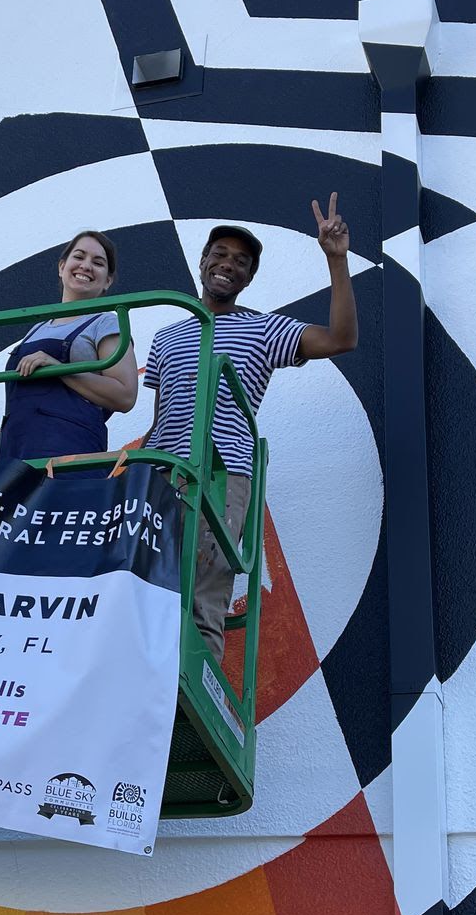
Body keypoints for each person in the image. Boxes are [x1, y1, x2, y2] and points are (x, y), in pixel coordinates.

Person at [143, 195, 359, 661]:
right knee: (144, 586)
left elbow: (341, 339)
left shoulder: (263, 329)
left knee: (203, 592)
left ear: (249, 278)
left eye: (241, 262)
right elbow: (160, 418)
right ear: (202, 262)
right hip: (161, 472)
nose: (228, 264)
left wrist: (336, 260)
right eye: (219, 254)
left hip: (223, 475)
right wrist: (136, 469)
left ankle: (193, 695)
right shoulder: (166, 336)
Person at [0, 230, 139, 473]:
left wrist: (58, 368)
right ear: (62, 267)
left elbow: (125, 395)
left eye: (98, 263)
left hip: (69, 463)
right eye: (79, 256)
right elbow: (16, 416)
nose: (86, 266)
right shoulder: (36, 330)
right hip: (12, 464)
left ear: (108, 281)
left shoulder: (105, 323)